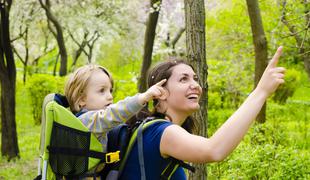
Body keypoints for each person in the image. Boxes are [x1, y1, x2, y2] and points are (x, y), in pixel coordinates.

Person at [120, 46, 286, 179]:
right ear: (160, 92)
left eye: (195, 78)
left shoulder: (153, 129)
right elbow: (214, 150)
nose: (196, 85)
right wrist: (261, 91)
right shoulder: (161, 132)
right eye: (183, 79)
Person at [64, 64, 166, 151]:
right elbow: (114, 113)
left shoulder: (94, 123)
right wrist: (142, 98)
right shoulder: (85, 121)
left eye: (110, 90)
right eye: (101, 91)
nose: (110, 96)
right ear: (82, 100)